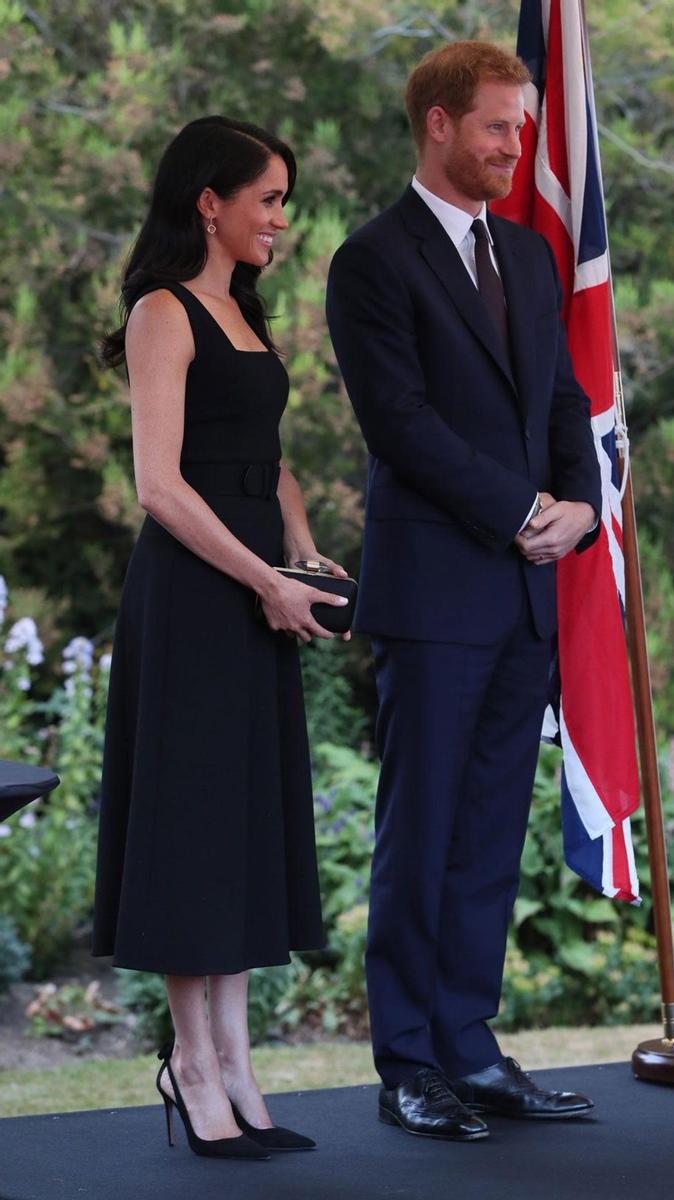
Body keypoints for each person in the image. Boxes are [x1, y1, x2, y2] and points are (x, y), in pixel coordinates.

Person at [326, 41, 601, 1141]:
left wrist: (577, 507)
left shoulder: (531, 261)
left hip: (526, 594)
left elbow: (565, 403)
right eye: (498, 125)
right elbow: (401, 426)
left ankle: (468, 1048)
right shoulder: (372, 261)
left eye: (524, 125)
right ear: (438, 123)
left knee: (489, 832)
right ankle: (407, 1063)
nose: (516, 145)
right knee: (422, 827)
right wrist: (521, 512)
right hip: (435, 594)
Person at [92, 115, 351, 1161]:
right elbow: (160, 486)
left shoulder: (242, 313)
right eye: (269, 198)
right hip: (198, 598)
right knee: (193, 833)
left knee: (239, 829)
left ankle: (238, 1064)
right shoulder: (163, 311)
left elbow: (266, 461)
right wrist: (261, 582)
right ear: (211, 200)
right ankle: (190, 1065)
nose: (280, 219)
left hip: (256, 590)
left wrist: (302, 549)